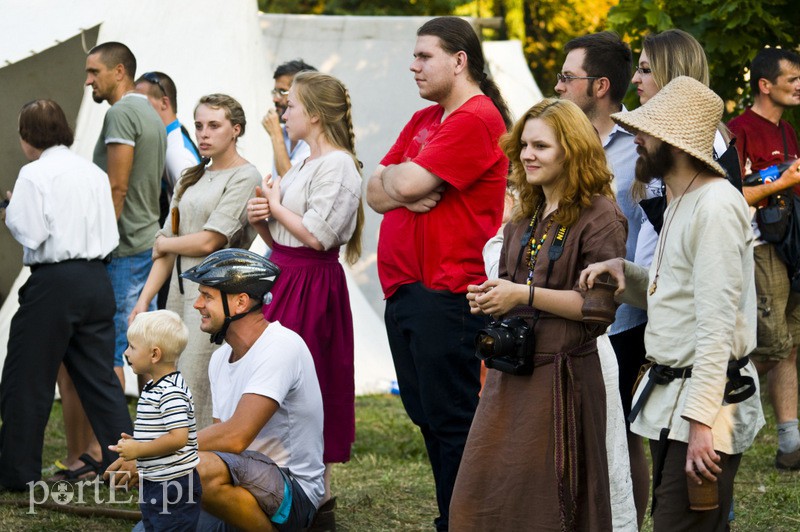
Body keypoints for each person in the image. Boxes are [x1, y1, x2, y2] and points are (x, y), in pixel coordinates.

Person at [582, 76, 767, 530]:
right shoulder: (681, 197)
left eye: (646, 132)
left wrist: (703, 426)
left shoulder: (716, 206)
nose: (638, 141)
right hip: (675, 401)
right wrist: (628, 277)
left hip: (703, 407)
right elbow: (681, 294)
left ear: (675, 142)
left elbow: (717, 324)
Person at [450, 98, 626, 530]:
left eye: (541, 146)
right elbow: (513, 290)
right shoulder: (524, 216)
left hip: (564, 379)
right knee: (479, 498)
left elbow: (596, 310)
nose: (527, 155)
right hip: (512, 376)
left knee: (551, 505)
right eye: (524, 145)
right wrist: (492, 298)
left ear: (572, 150)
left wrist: (522, 294)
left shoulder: (600, 217)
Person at [365, 16, 512, 531]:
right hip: (409, 291)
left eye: (425, 55)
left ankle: (464, 521)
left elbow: (403, 183)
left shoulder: (474, 118)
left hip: (448, 293)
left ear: (459, 60)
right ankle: (454, 516)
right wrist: (397, 182)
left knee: (453, 422)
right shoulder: (426, 120)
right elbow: (376, 189)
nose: (414, 65)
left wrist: (402, 182)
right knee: (428, 416)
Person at [104, 249, 325, 532]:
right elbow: (221, 442)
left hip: (292, 495)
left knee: (196, 469)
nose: (197, 304)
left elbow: (235, 437)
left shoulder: (281, 346)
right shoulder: (221, 358)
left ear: (240, 302)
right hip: (241, 483)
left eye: (207, 296)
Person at [247, 71, 363, 527]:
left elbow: (318, 235)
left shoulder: (338, 165)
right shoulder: (304, 162)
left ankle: (316, 500)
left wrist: (275, 207)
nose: (284, 113)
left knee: (307, 386)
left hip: (311, 285)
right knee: (272, 378)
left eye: (291, 105)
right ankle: (272, 485)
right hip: (284, 273)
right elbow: (286, 232)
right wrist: (263, 219)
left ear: (314, 114)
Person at [0, 99, 132, 490]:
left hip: (54, 282)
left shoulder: (33, 173)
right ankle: (127, 465)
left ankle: (17, 474)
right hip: (96, 277)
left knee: (27, 378)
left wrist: (10, 212)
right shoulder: (92, 172)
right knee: (99, 379)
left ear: (27, 137)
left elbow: (32, 233)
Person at [130, 94, 261, 429]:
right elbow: (164, 250)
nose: (203, 133)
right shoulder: (191, 176)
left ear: (236, 130)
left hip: (215, 296)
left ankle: (200, 466)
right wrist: (145, 300)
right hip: (176, 293)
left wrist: (167, 242)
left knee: (198, 381)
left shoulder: (245, 176)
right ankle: (168, 460)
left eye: (214, 126)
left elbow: (210, 240)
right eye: (199, 125)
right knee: (168, 378)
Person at [555, 31, 643, 528]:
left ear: (601, 85)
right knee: (570, 430)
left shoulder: (639, 144)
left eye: (568, 77)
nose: (559, 85)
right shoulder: (554, 137)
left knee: (623, 436)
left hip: (620, 317)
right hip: (555, 307)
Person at [728, 47, 800, 471]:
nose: (798, 85)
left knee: (790, 345)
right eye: (792, 79)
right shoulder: (738, 131)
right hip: (760, 246)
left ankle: (790, 443)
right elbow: (730, 197)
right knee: (770, 347)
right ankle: (720, 404)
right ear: (765, 85)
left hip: (792, 245)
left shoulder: (790, 131)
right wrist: (781, 182)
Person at [111, 310, 201, 530]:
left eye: (132, 347)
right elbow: (165, 431)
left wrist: (139, 450)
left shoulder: (171, 392)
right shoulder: (155, 387)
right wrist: (139, 439)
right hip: (157, 481)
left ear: (154, 354)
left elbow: (179, 438)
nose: (126, 352)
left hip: (174, 486)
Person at [262, 59, 317, 179]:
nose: (275, 99)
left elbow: (290, 181)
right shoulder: (285, 132)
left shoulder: (316, 140)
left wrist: (275, 135)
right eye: (274, 92)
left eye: (282, 92)